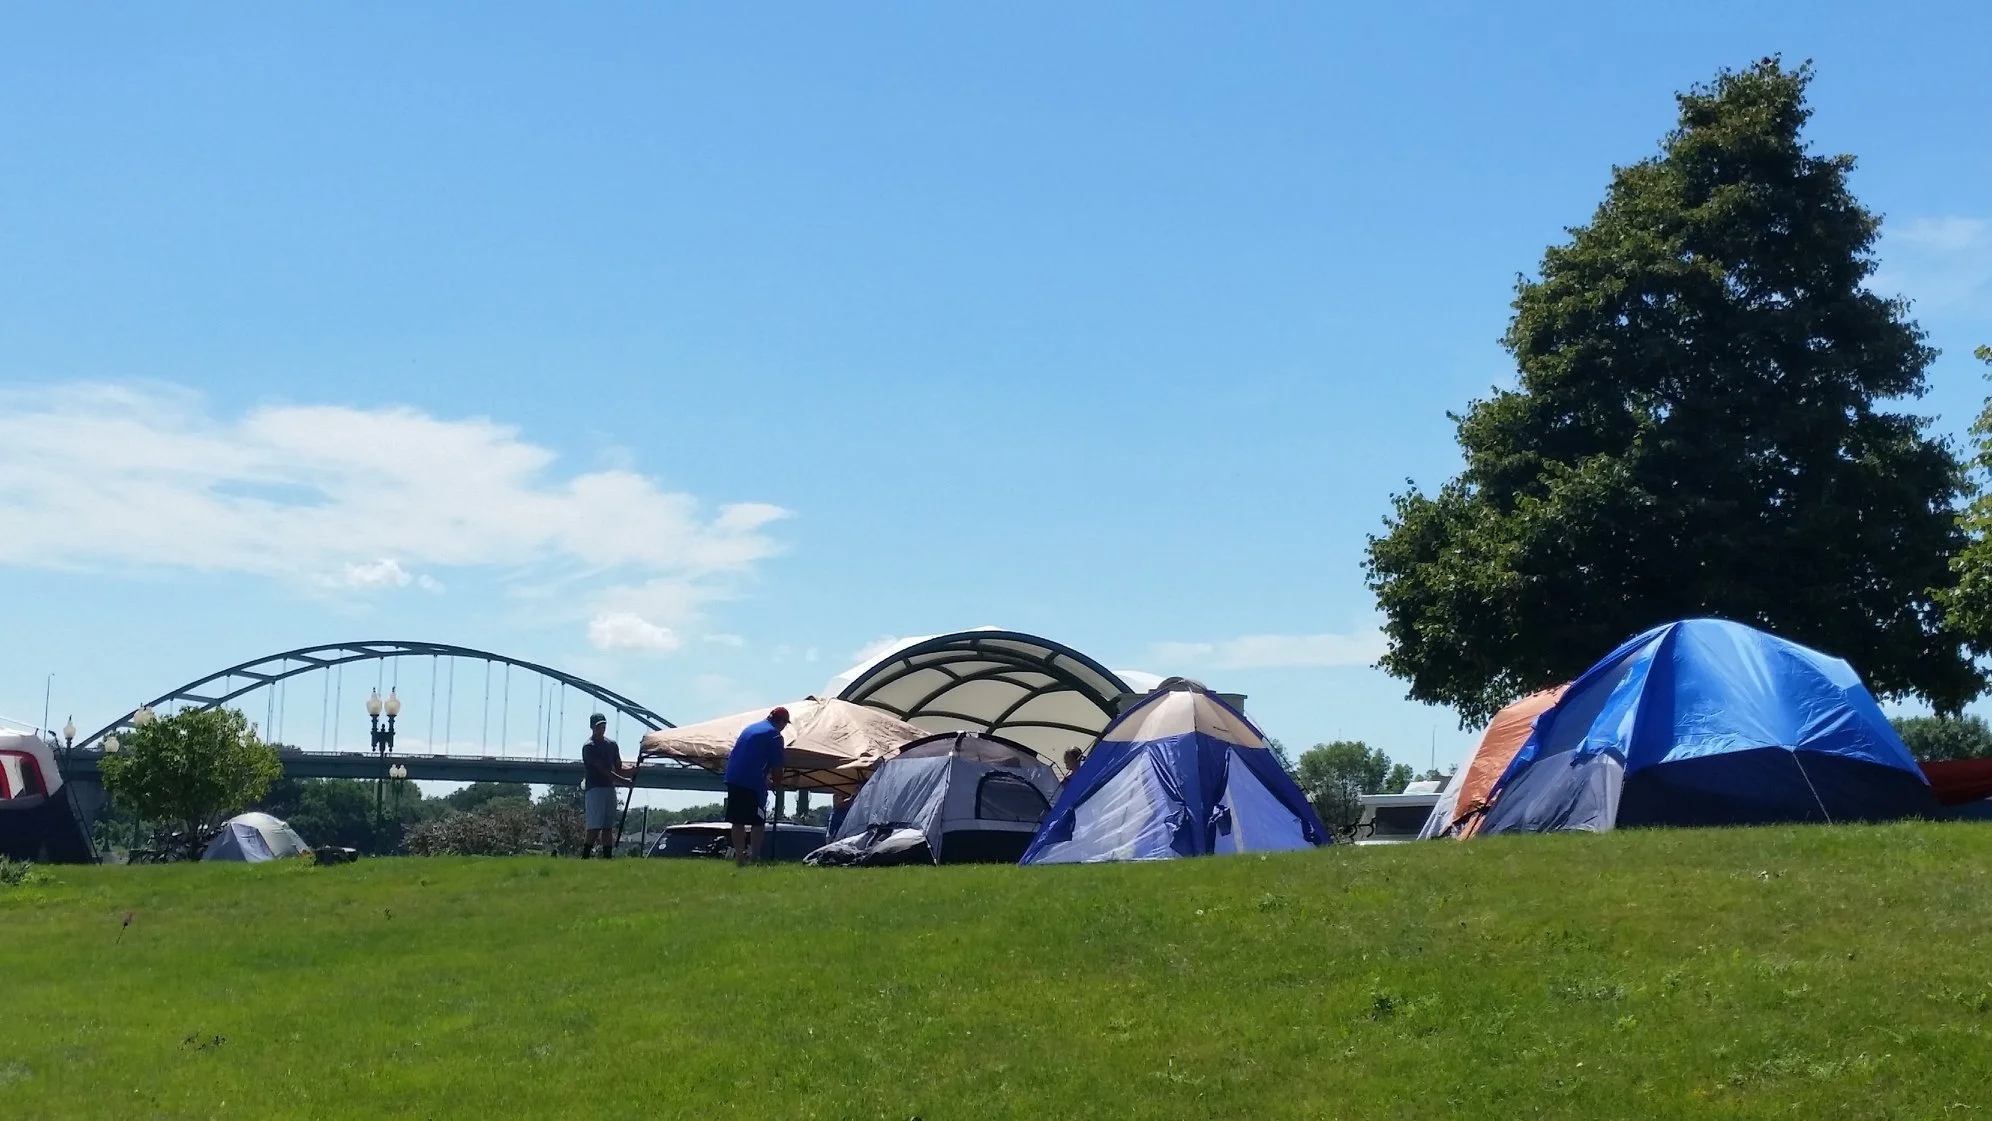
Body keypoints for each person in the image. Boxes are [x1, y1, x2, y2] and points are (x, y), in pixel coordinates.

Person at [725, 706, 789, 866]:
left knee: (737, 820)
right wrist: (777, 784)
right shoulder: (775, 735)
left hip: (733, 778)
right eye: (785, 724)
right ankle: (754, 857)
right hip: (753, 782)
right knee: (758, 821)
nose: (784, 727)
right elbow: (777, 766)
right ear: (781, 721)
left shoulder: (750, 728)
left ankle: (740, 858)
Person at [580, 714, 633, 858]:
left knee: (607, 825)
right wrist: (623, 781)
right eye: (598, 726)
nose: (601, 728)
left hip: (609, 788)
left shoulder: (612, 745)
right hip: (595, 788)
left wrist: (634, 769)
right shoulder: (589, 747)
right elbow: (603, 770)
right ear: (592, 727)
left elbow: (619, 767)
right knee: (594, 826)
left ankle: (607, 857)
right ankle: (585, 856)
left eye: (603, 725)